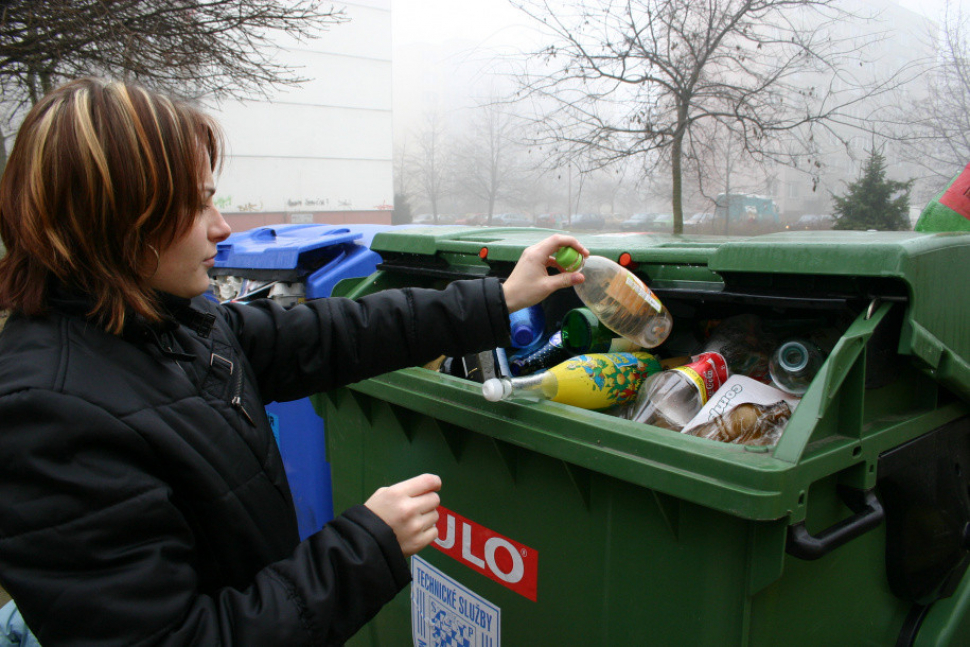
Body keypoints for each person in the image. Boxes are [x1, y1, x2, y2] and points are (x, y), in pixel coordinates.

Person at [0, 77, 588, 646]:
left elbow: (336, 332)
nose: (221, 227)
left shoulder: (161, 323)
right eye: (196, 204)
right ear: (118, 218)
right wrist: (366, 546)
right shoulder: (50, 417)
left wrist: (501, 297)